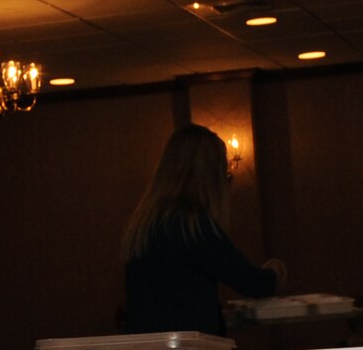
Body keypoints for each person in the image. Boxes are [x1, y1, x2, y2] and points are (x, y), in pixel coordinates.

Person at [120, 125, 285, 336]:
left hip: (150, 348)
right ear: (211, 176)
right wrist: (275, 271)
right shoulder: (191, 225)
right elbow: (253, 283)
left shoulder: (145, 224)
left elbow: (166, 297)